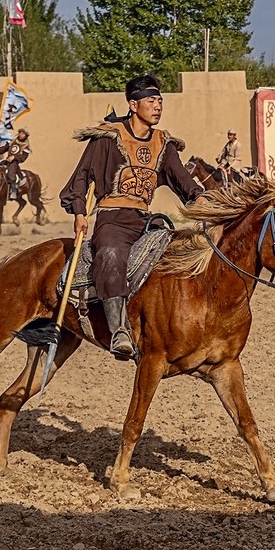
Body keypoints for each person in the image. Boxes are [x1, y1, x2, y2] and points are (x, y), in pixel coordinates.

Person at [60, 74, 205, 359]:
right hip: (112, 218)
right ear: (133, 105)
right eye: (151, 101)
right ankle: (119, 331)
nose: (158, 106)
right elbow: (80, 178)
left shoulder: (164, 143)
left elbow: (182, 180)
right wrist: (79, 213)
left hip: (146, 219)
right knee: (111, 253)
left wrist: (200, 198)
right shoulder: (107, 138)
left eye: (160, 101)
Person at [0, 128, 32, 200]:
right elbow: (4, 149)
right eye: (20, 132)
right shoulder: (12, 142)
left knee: (11, 174)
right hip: (7, 161)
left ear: (26, 136)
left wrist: (14, 157)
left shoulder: (26, 147)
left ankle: (13, 191)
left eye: (23, 134)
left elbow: (23, 158)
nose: (20, 134)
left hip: (14, 163)